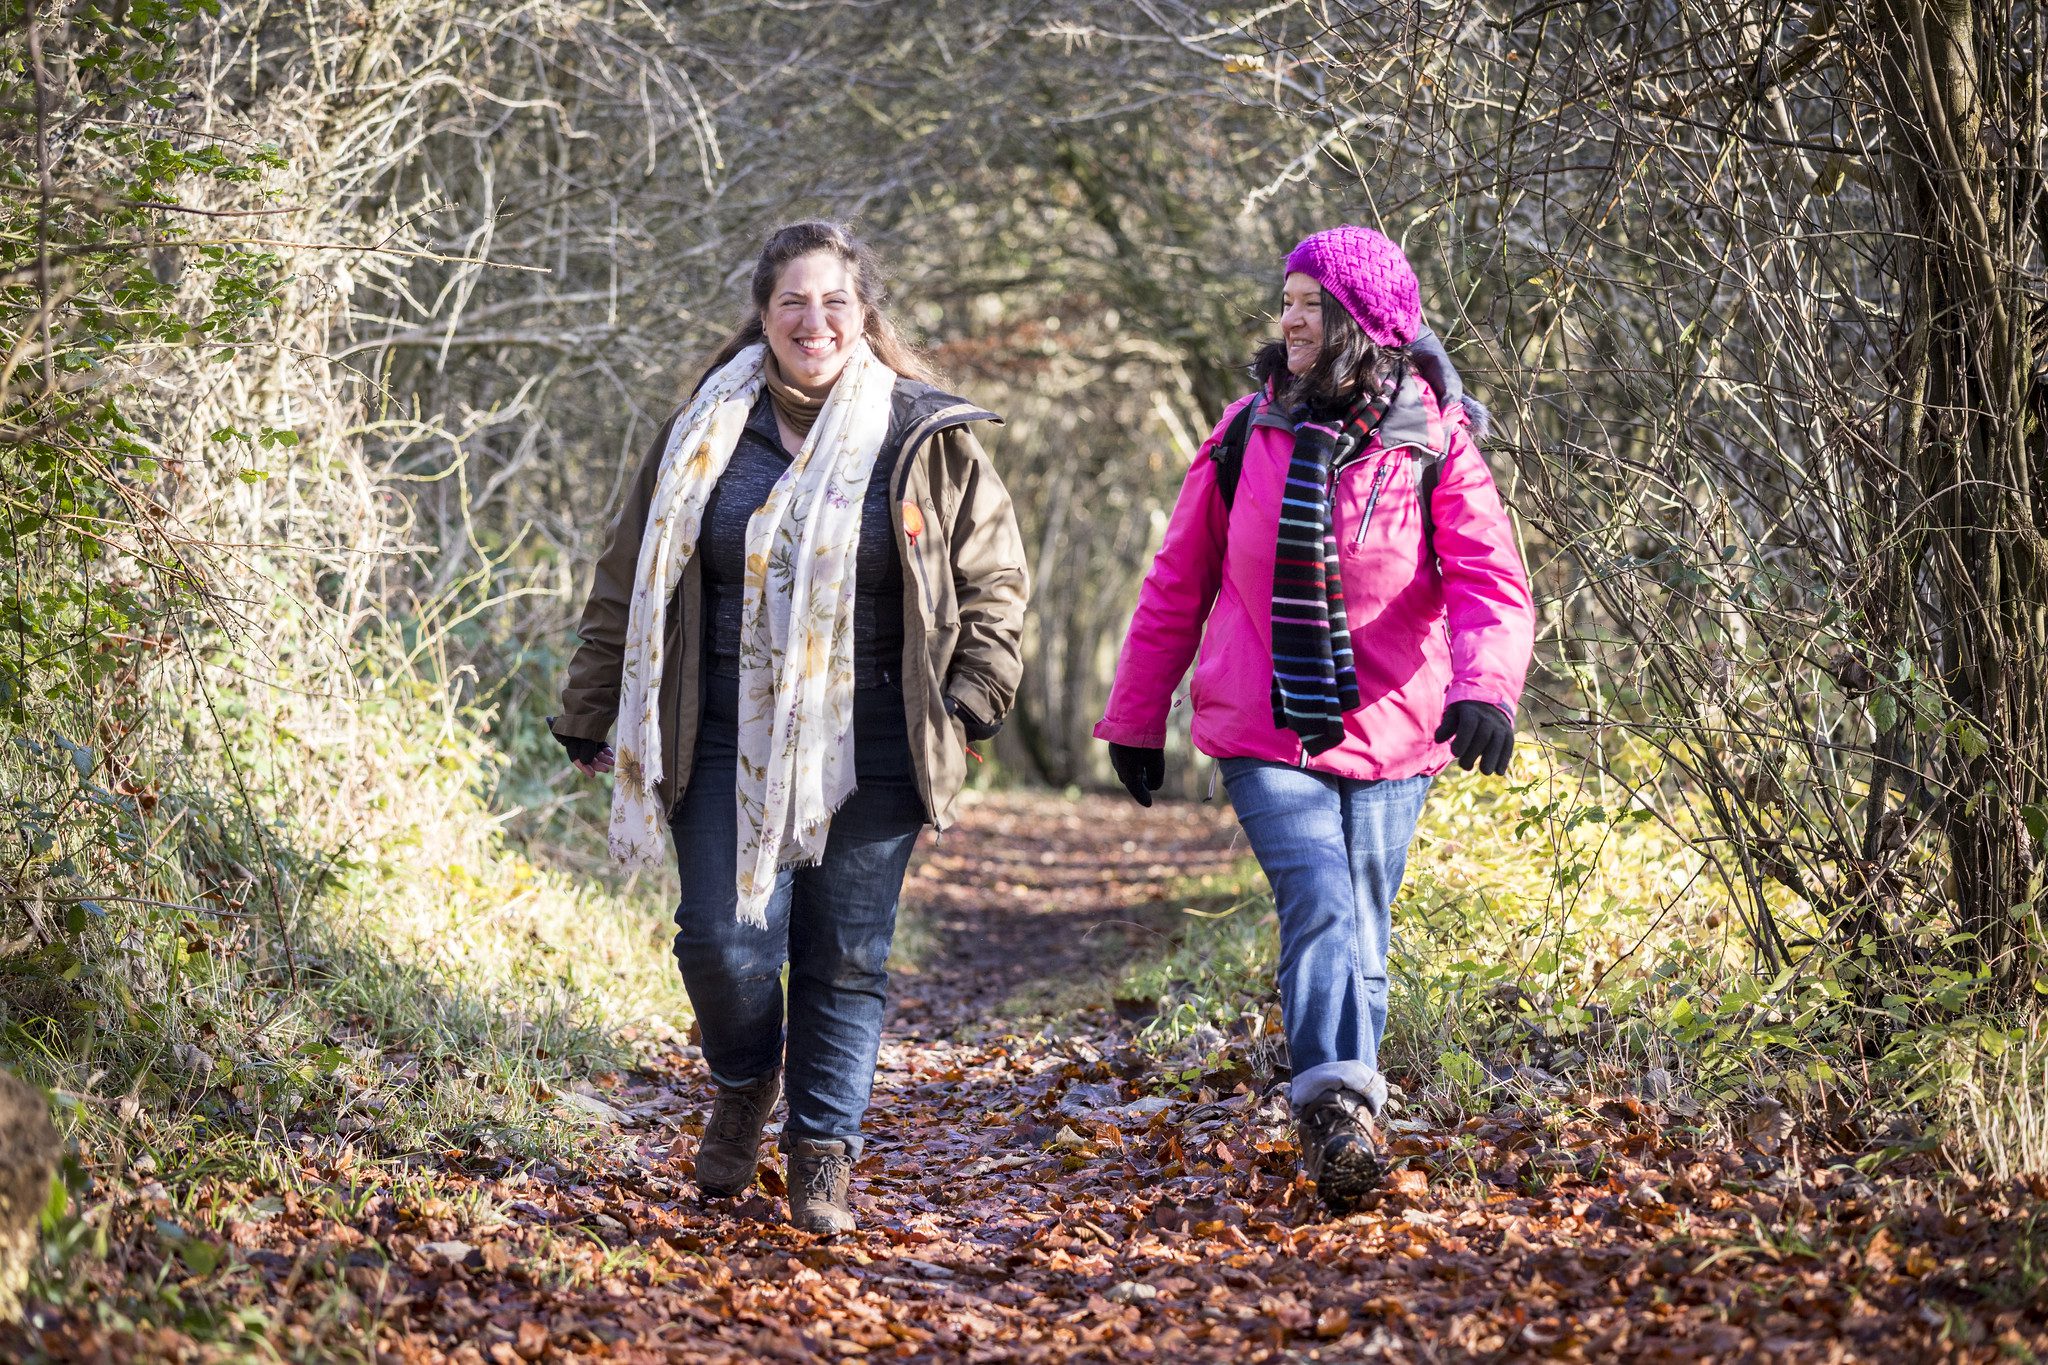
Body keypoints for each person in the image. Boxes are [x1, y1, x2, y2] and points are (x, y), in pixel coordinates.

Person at [552, 221, 1029, 1233]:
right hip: (715, 728)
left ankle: (821, 1156)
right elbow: (625, 576)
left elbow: (993, 582)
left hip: (883, 735)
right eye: (792, 304)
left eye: (834, 304)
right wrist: (591, 705)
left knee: (843, 957)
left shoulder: (920, 434)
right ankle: (741, 1080)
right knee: (721, 943)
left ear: (864, 314)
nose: (813, 322)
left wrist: (969, 699)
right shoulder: (702, 430)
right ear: (763, 315)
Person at [1094, 224, 1533, 1213]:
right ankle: (1334, 1106)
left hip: (1395, 729)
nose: (1287, 320)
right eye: (1285, 301)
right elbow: (1178, 582)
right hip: (1265, 726)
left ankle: (1349, 1121)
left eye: (1307, 304)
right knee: (1321, 901)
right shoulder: (1245, 433)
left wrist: (1483, 688)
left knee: (1362, 926)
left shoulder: (1433, 444)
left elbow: (1489, 587)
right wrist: (1134, 716)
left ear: (1358, 324)